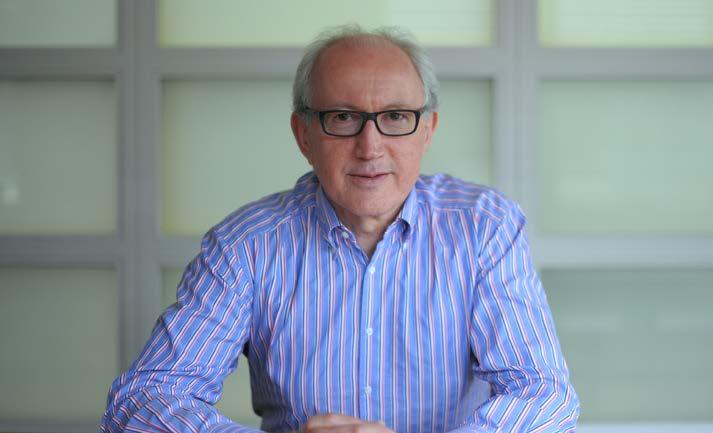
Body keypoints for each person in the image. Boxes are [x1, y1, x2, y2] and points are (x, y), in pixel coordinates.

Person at [101, 25, 579, 433]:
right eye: (343, 118)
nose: (370, 147)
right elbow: (142, 401)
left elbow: (544, 396)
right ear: (303, 135)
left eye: (396, 117)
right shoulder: (246, 245)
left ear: (428, 130)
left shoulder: (485, 229)